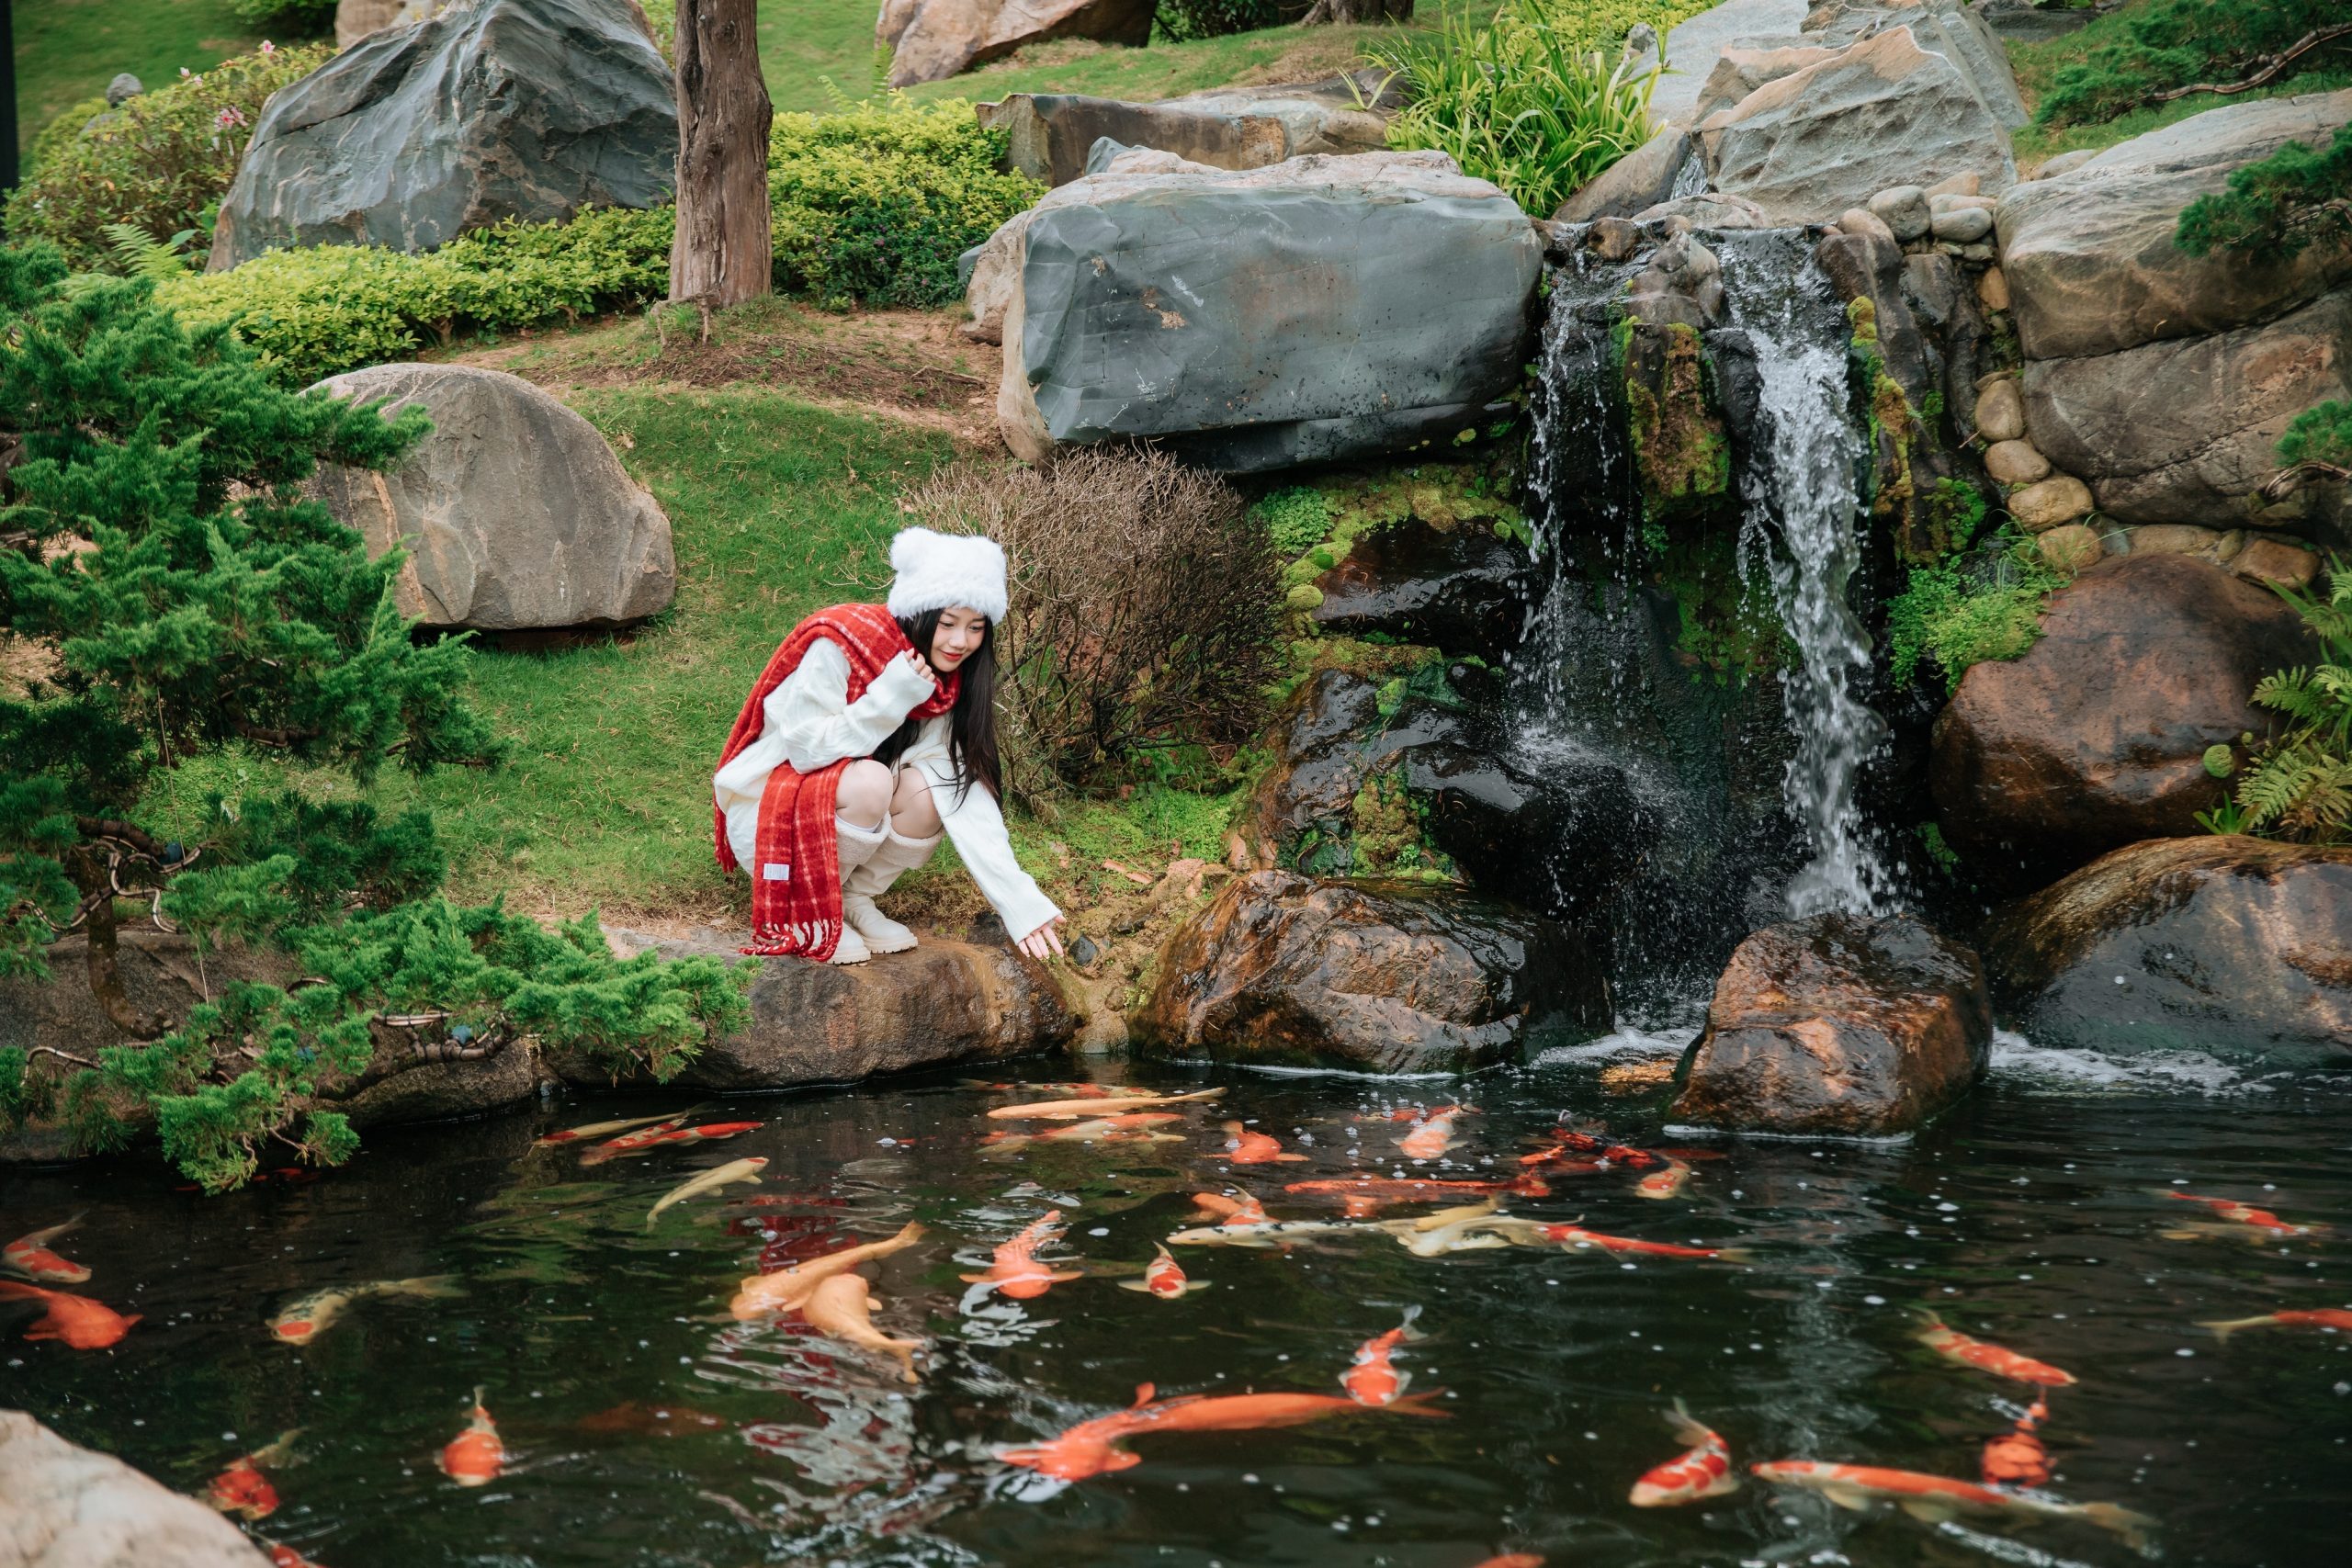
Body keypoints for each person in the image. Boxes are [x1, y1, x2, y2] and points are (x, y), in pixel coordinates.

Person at [712, 527, 1067, 965]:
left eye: (976, 628)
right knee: (872, 781)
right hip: (776, 813)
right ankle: (813, 908)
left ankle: (853, 899)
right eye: (948, 623)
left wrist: (1021, 902)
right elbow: (804, 751)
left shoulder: (948, 684)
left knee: (932, 792)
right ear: (919, 612)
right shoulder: (842, 643)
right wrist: (892, 696)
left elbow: (962, 792)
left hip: (847, 806)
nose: (961, 642)